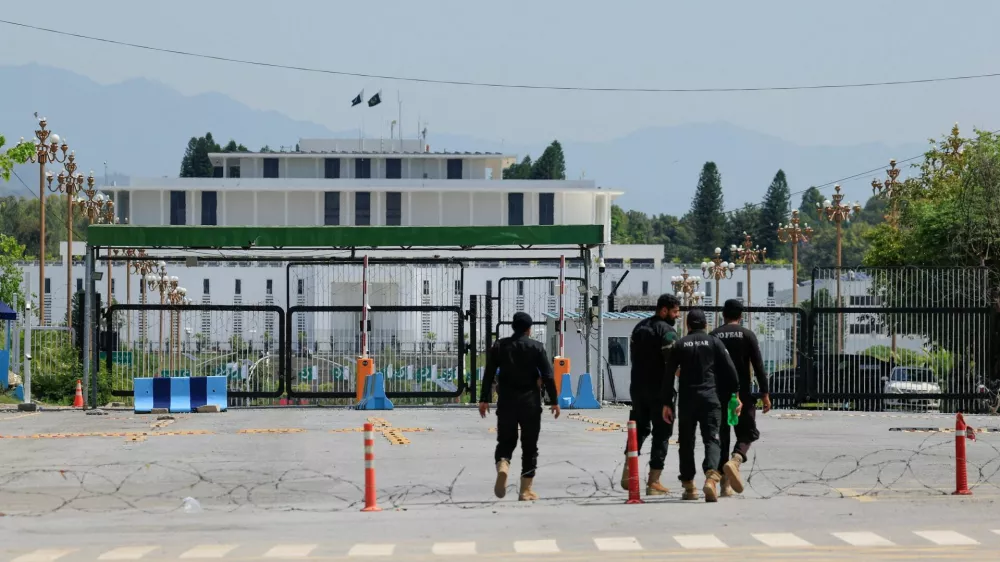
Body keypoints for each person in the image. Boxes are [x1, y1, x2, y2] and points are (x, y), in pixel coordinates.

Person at [479, 312, 560, 501]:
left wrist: (483, 399)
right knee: (530, 446)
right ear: (528, 329)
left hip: (506, 401)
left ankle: (503, 466)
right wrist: (554, 401)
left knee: (506, 441)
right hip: (530, 403)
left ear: (513, 327)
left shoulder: (500, 346)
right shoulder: (536, 347)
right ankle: (525, 490)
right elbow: (548, 375)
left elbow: (489, 373)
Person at [661, 309, 741, 503]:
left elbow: (669, 374)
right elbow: (731, 371)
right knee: (712, 439)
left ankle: (689, 486)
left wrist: (666, 402)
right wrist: (735, 395)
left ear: (688, 325)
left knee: (686, 442)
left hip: (688, 399)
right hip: (710, 398)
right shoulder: (714, 343)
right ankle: (712, 479)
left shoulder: (679, 345)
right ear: (706, 325)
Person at [620, 293, 681, 496]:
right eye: (674, 311)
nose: (677, 316)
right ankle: (653, 481)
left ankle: (628, 473)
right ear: (664, 310)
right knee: (662, 433)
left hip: (637, 388)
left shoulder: (639, 328)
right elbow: (674, 365)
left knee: (638, 429)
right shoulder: (668, 332)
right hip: (660, 391)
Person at [710, 299, 771, 497]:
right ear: (741, 316)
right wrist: (765, 393)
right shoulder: (747, 335)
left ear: (723, 315)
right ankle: (736, 459)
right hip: (743, 393)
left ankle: (724, 485)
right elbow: (759, 366)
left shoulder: (714, 336)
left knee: (722, 437)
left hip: (719, 392)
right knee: (747, 432)